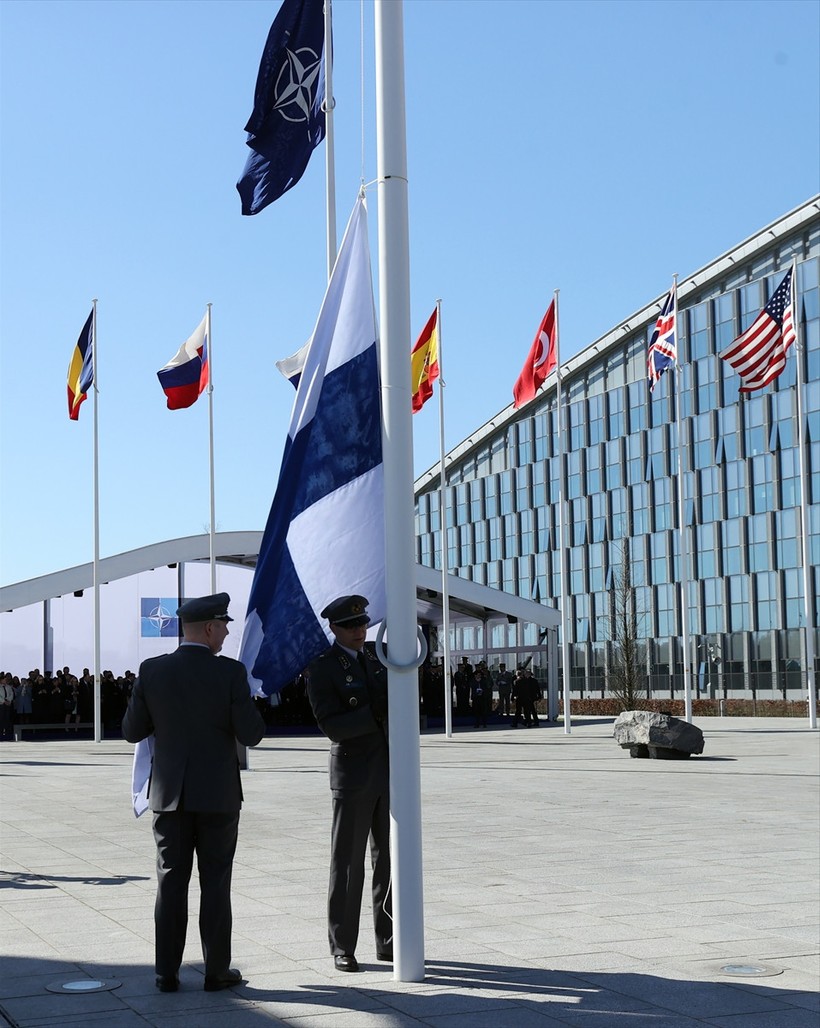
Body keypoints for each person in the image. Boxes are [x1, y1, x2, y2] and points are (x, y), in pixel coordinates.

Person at [122, 592, 265, 994]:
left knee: (171, 883)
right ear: (207, 628)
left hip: (169, 796)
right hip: (218, 796)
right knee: (215, 883)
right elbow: (252, 733)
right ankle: (216, 971)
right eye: (223, 626)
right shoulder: (231, 673)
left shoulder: (151, 671)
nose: (225, 633)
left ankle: (165, 973)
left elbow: (132, 731)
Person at [306, 594, 391, 973]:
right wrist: (374, 716)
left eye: (362, 623)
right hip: (354, 772)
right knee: (348, 863)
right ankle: (342, 945)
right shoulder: (323, 667)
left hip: (390, 769)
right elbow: (332, 725)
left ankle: (389, 941)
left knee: (390, 860)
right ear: (334, 629)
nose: (360, 630)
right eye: (351, 626)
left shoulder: (378, 657)